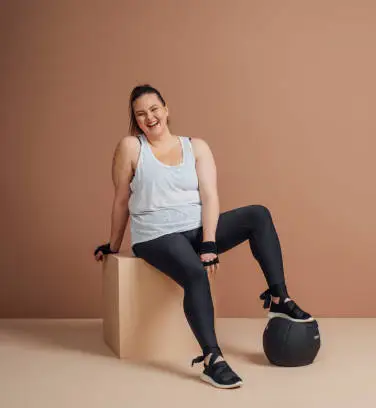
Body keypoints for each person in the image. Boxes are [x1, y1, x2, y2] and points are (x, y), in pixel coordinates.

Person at [94, 84, 313, 389]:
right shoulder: (131, 147)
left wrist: (208, 242)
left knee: (258, 215)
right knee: (196, 275)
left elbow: (209, 195)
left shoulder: (196, 146)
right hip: (156, 235)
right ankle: (213, 359)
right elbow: (120, 200)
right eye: (140, 114)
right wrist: (113, 246)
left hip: (196, 229)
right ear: (136, 119)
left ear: (166, 110)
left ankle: (279, 298)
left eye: (154, 109)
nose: (149, 117)